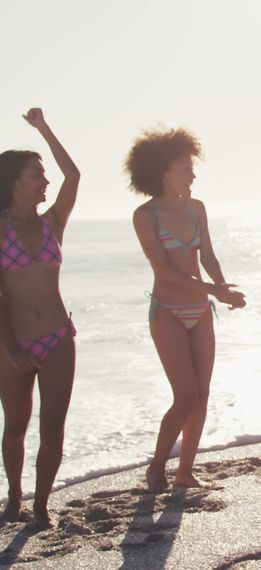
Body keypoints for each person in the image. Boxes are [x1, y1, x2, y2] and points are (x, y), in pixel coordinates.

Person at [130, 127, 246, 492]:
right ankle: (157, 466)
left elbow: (207, 254)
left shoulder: (197, 208)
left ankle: (185, 471)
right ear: (163, 170)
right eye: (185, 167)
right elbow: (164, 270)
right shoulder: (145, 215)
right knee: (186, 395)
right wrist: (214, 289)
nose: (192, 175)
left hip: (200, 311)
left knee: (203, 394)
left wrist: (222, 287)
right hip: (167, 312)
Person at [0, 108, 79, 527]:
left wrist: (45, 129)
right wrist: (9, 347)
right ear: (14, 180)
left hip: (57, 337)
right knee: (15, 425)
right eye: (35, 173)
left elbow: (73, 177)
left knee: (53, 427)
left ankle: (41, 505)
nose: (45, 180)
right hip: (13, 343)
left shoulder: (53, 223)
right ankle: (14, 497)